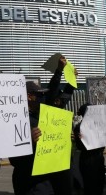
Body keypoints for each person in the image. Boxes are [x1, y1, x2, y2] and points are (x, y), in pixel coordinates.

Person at [9, 56, 74, 195]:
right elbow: (14, 160)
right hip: (28, 183)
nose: (42, 97)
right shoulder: (16, 119)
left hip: (47, 182)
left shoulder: (44, 115)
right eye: (39, 94)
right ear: (29, 96)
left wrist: (61, 72)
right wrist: (29, 141)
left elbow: (55, 93)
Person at [74, 103, 105, 195]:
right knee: (90, 187)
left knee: (99, 185)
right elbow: (80, 146)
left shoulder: (99, 126)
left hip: (99, 159)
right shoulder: (80, 127)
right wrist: (79, 139)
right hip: (88, 160)